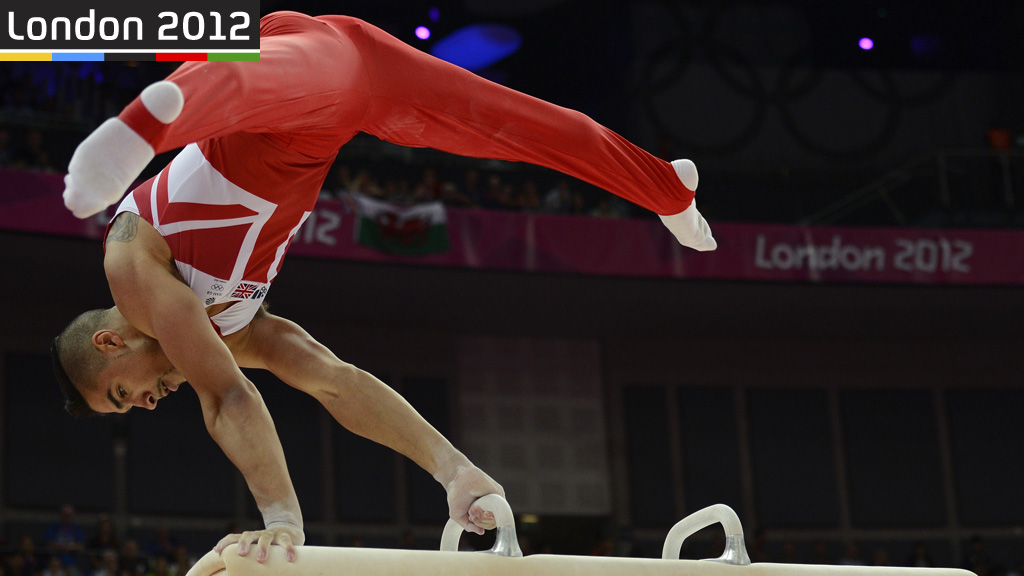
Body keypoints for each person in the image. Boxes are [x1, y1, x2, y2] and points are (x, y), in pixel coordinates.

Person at [52, 9, 716, 566]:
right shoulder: (228, 329)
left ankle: (146, 125)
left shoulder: (131, 272)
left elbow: (227, 397)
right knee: (521, 128)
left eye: (121, 394)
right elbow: (332, 378)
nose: (144, 405)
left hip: (284, 98)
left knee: (242, 81)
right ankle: (665, 185)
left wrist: (282, 521)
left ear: (109, 341)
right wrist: (452, 469)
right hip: (351, 79)